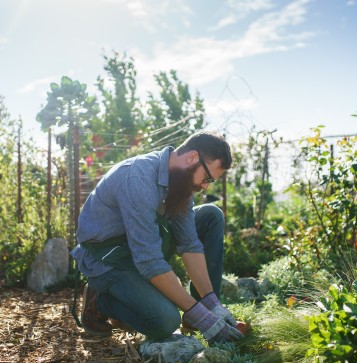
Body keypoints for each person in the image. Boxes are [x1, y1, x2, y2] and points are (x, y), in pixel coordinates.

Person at [70, 131, 243, 343]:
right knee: (165, 322)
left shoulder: (182, 181)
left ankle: (202, 312)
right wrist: (202, 318)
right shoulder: (138, 178)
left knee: (210, 216)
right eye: (207, 178)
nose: (206, 186)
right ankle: (100, 301)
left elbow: (189, 242)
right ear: (191, 158)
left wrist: (211, 303)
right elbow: (149, 261)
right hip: (108, 257)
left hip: (142, 245)